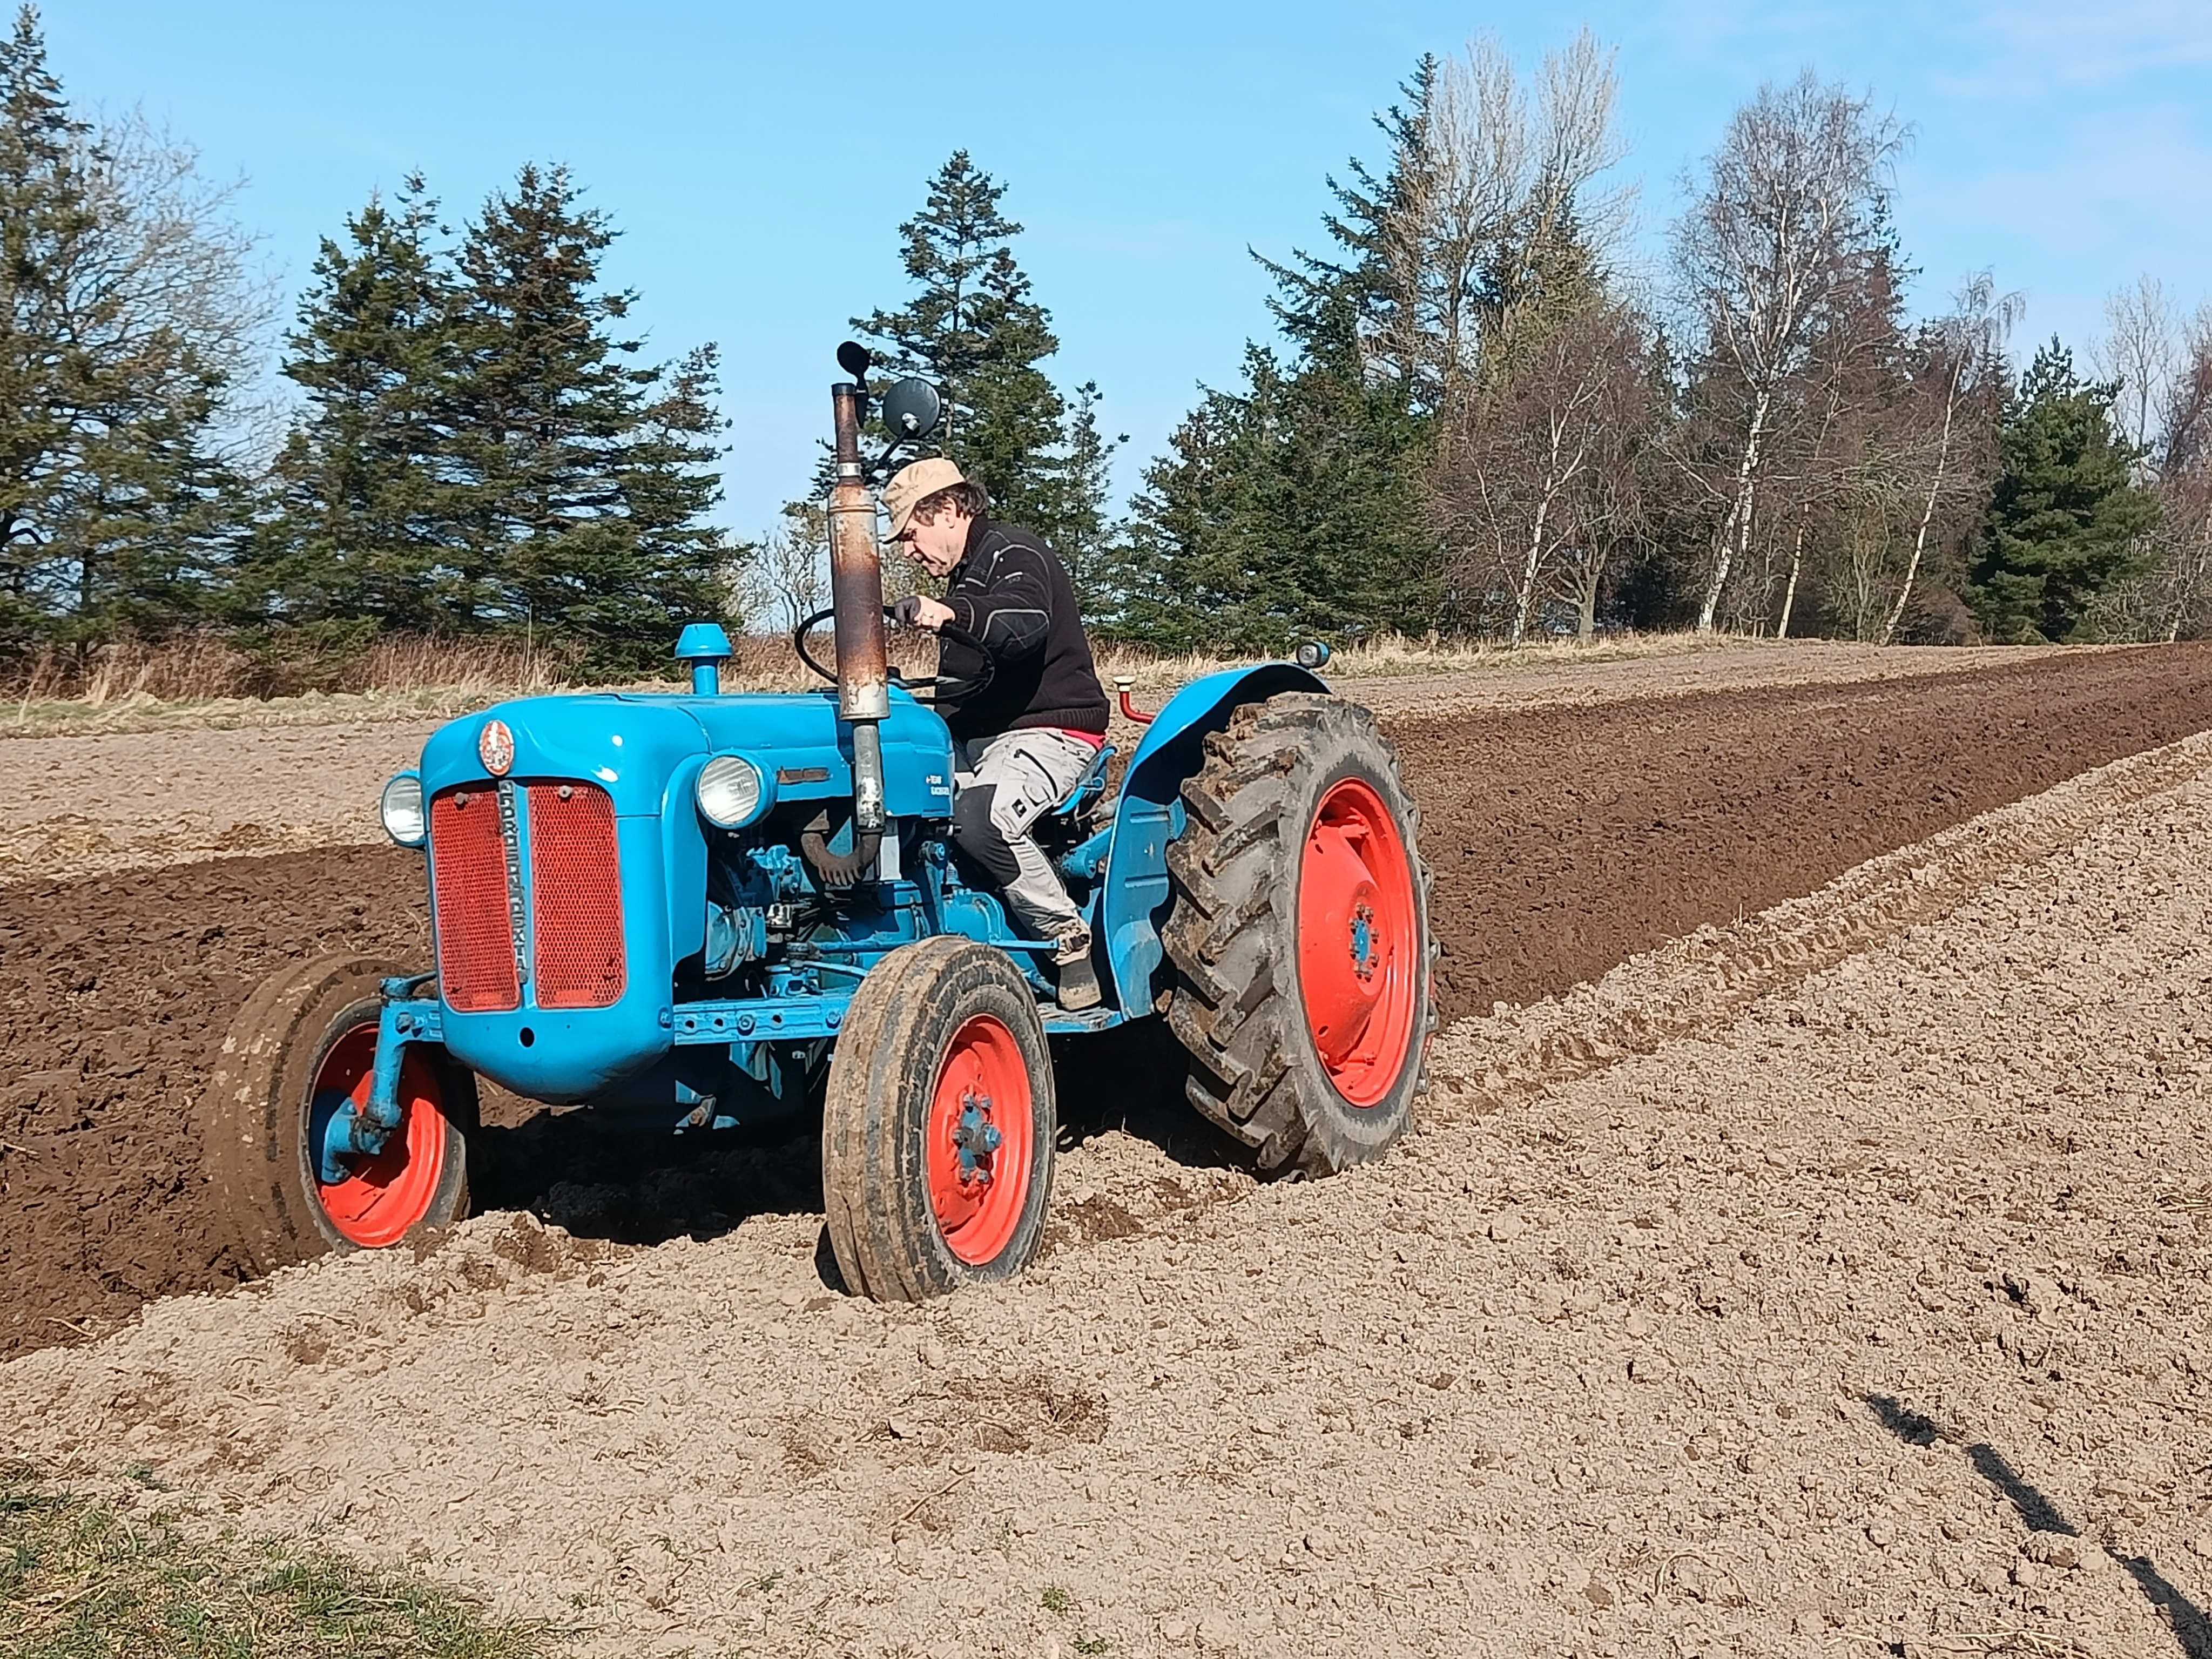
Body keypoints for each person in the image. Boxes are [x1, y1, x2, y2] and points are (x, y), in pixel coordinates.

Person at [881, 457, 1109, 1009]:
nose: (909, 552)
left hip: (1048, 731)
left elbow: (1022, 626)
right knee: (906, 801)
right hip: (976, 739)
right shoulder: (966, 576)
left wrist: (950, 614)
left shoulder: (1012, 553)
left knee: (980, 818)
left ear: (950, 509)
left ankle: (1067, 938)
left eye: (912, 535)